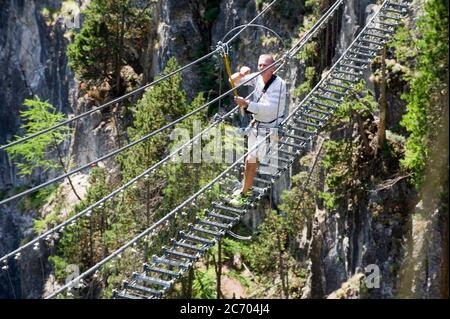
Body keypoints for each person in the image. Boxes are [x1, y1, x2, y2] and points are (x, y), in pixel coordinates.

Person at [229, 54, 286, 207]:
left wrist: (247, 103)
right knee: (250, 159)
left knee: (251, 159)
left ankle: (244, 193)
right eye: (260, 65)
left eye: (265, 65)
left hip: (270, 128)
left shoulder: (280, 85)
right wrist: (241, 74)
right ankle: (245, 189)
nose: (262, 68)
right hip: (257, 125)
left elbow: (271, 110)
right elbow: (232, 81)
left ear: (273, 67)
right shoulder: (258, 78)